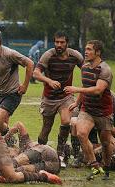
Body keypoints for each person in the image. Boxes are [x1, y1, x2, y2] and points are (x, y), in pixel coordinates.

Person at [33, 31, 84, 168]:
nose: (59, 45)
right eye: (56, 42)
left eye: (62, 42)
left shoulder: (75, 56)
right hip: (49, 98)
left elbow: (86, 70)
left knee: (67, 121)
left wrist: (81, 88)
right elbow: (36, 73)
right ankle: (40, 154)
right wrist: (48, 80)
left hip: (66, 97)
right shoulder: (48, 55)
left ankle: (60, 155)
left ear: (67, 43)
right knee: (46, 129)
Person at [64, 40, 114, 180]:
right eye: (85, 49)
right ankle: (95, 165)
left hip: (104, 111)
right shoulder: (85, 67)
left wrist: (76, 89)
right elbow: (85, 86)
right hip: (87, 110)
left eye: (89, 49)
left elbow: (98, 90)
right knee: (81, 133)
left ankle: (107, 166)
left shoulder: (105, 69)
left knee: (105, 143)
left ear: (98, 52)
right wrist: (77, 102)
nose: (86, 52)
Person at [0, 29, 34, 136]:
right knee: (1, 127)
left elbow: (30, 63)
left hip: (13, 93)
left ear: (0, 40)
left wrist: (25, 86)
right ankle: (10, 145)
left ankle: (15, 131)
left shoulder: (9, 54)